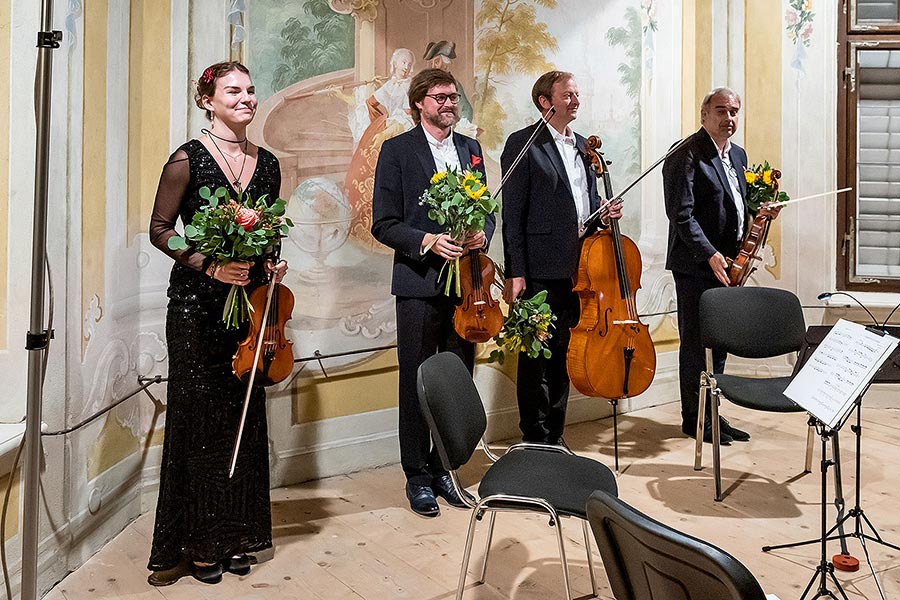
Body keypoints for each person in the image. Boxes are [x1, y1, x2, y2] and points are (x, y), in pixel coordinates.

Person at [147, 61, 288, 586]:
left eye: (251, 89)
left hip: (248, 310)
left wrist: (271, 261)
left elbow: (270, 231)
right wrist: (208, 263)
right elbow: (161, 231)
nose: (247, 97)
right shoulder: (188, 159)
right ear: (209, 100)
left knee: (243, 422)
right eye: (234, 90)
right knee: (201, 424)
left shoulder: (268, 164)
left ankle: (235, 536)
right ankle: (199, 543)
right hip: (194, 309)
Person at [371, 68, 494, 517]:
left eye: (453, 96)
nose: (449, 103)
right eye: (439, 97)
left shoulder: (471, 149)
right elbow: (383, 223)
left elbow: (486, 210)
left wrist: (483, 232)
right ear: (419, 103)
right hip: (420, 286)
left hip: (467, 288)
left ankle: (447, 470)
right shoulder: (396, 151)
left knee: (456, 381)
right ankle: (417, 477)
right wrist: (426, 241)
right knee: (417, 383)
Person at [501, 71, 622, 445]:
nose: (575, 101)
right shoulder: (524, 144)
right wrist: (516, 271)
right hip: (540, 269)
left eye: (577, 95)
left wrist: (604, 211)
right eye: (567, 95)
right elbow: (513, 215)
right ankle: (533, 437)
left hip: (580, 270)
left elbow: (582, 206)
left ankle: (554, 433)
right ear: (545, 101)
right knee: (536, 355)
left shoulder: (586, 146)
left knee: (565, 354)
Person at [662, 86, 780, 445]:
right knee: (697, 344)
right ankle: (693, 418)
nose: (728, 119)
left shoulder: (739, 156)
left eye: (733, 112)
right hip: (697, 265)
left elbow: (736, 206)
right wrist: (710, 253)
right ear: (704, 115)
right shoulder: (685, 153)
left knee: (722, 342)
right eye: (721, 111)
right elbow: (681, 215)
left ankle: (713, 413)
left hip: (731, 266)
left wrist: (760, 213)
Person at [345, 47, 416, 252]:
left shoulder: (412, 85)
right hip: (390, 124)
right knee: (370, 156)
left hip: (406, 126)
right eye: (403, 62)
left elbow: (414, 108)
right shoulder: (390, 85)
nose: (406, 67)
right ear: (394, 64)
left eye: (409, 63)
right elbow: (371, 104)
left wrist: (400, 116)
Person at [423, 40, 474, 121]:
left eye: (436, 62)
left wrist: (462, 128)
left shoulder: (454, 85)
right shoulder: (425, 85)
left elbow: (467, 110)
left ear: (446, 65)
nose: (433, 66)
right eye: (432, 63)